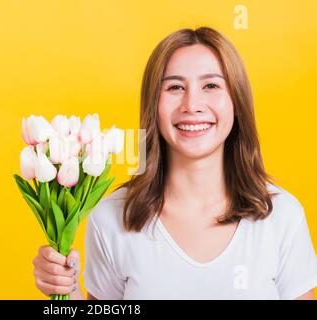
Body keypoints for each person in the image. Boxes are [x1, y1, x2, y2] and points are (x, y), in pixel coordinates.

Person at [32, 27, 317, 300]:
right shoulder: (111, 218)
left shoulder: (282, 217)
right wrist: (66, 291)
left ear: (236, 101)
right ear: (153, 104)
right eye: (175, 87)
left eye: (211, 85)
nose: (192, 104)